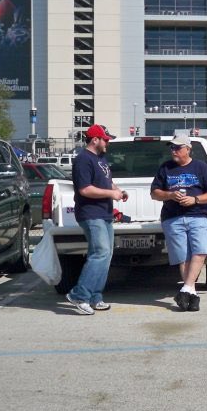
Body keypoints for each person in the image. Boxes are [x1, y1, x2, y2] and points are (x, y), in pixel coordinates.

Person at [150, 136, 207, 312]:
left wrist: (194, 199)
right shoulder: (165, 168)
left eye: (177, 148)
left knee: (200, 252)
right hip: (173, 218)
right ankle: (191, 294)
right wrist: (170, 195)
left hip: (198, 216)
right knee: (183, 257)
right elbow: (154, 193)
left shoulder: (201, 167)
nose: (173, 151)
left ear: (187, 149)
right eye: (172, 148)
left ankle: (186, 289)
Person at [67, 124, 126, 315]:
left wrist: (117, 191)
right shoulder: (83, 160)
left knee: (106, 255)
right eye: (105, 139)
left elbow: (107, 181)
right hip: (91, 214)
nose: (108, 142)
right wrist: (111, 193)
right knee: (99, 253)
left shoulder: (100, 158)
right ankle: (79, 295)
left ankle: (95, 297)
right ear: (95, 140)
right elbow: (85, 189)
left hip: (104, 213)